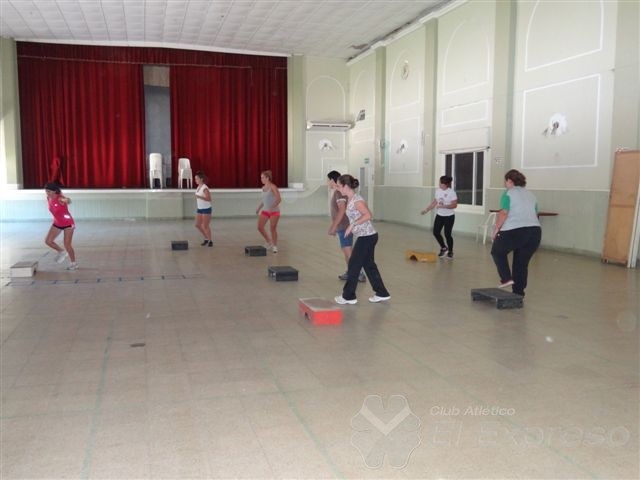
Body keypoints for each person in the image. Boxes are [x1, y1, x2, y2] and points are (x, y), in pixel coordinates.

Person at [334, 174, 390, 305]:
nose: (338, 188)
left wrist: (352, 225)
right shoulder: (350, 198)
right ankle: (382, 293)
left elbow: (368, 215)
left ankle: (348, 296)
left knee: (354, 264)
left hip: (367, 237)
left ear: (346, 186)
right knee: (369, 265)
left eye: (339, 186)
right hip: (367, 236)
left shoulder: (356, 200)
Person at [491, 169, 541, 296]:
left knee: (497, 252)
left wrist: (496, 229)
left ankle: (506, 278)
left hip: (515, 230)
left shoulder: (508, 193)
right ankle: (518, 293)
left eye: (506, 181)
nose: (505, 184)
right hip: (535, 232)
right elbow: (535, 214)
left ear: (510, 181)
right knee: (521, 264)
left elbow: (504, 212)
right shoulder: (531, 195)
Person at [327, 170, 365, 283]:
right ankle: (350, 271)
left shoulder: (339, 193)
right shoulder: (338, 192)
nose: (327, 183)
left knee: (348, 251)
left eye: (328, 180)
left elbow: (342, 210)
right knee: (346, 250)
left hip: (344, 226)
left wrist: (333, 226)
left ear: (332, 180)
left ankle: (359, 273)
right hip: (343, 226)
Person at [420, 175, 457, 259]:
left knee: (447, 234)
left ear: (445, 184)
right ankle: (444, 247)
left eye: (441, 183)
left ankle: (450, 251)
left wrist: (444, 206)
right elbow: (434, 202)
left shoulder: (451, 192)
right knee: (436, 232)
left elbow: (454, 205)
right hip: (440, 215)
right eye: (439, 182)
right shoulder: (438, 191)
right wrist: (426, 210)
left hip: (449, 216)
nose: (439, 184)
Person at [44, 182, 78, 270]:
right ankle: (61, 251)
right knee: (48, 241)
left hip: (68, 223)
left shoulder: (60, 198)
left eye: (49, 191)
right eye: (46, 191)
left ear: (55, 191)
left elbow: (68, 200)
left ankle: (73, 263)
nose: (47, 193)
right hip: (57, 223)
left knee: (67, 244)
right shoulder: (48, 198)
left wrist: (67, 200)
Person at [256, 170, 281, 253]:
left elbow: (279, 199)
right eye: (261, 178)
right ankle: (269, 242)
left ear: (267, 178)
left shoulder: (273, 187)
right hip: (265, 210)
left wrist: (272, 207)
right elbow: (264, 200)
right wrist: (258, 208)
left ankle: (275, 246)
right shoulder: (263, 188)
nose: (261, 179)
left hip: (274, 211)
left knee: (272, 228)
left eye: (263, 177)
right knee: (260, 227)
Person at [194, 171, 213, 246]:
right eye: (195, 179)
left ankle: (210, 241)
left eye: (197, 179)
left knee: (205, 226)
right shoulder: (198, 187)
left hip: (206, 209)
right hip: (200, 208)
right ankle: (206, 238)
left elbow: (209, 199)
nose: (195, 180)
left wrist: (199, 197)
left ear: (201, 179)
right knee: (197, 225)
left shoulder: (205, 188)